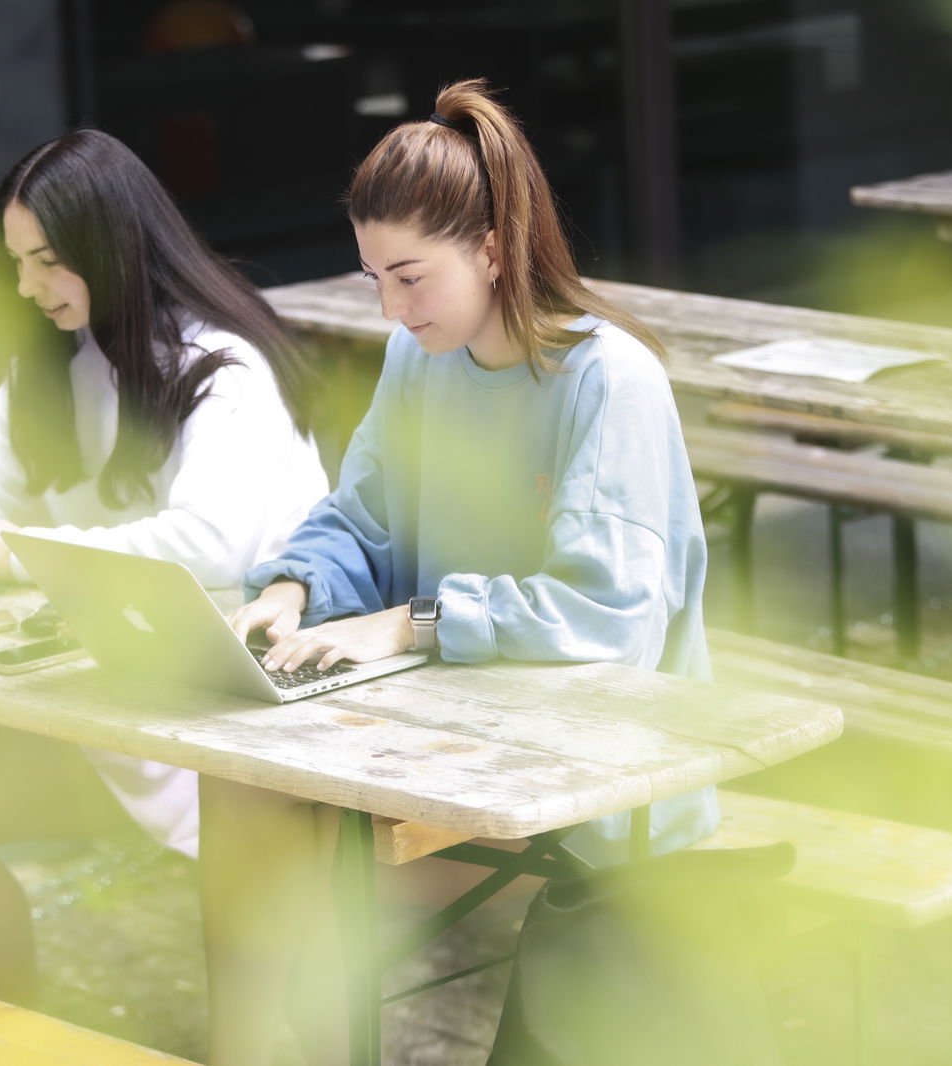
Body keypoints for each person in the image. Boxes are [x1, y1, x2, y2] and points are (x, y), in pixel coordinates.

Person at [208, 78, 715, 1066]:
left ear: (492, 247)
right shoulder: (421, 360)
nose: (394, 311)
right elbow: (362, 516)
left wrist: (408, 622)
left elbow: (609, 615)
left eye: (410, 277)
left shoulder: (608, 379)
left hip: (598, 778)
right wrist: (291, 591)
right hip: (451, 739)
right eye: (374, 282)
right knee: (242, 805)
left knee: (306, 899)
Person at [0, 128, 328, 1007]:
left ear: (113, 247)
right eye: (17, 262)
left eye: (49, 261)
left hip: (217, 715)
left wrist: (30, 557)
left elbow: (209, 544)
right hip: (110, 688)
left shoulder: (223, 371)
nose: (28, 286)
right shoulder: (65, 356)